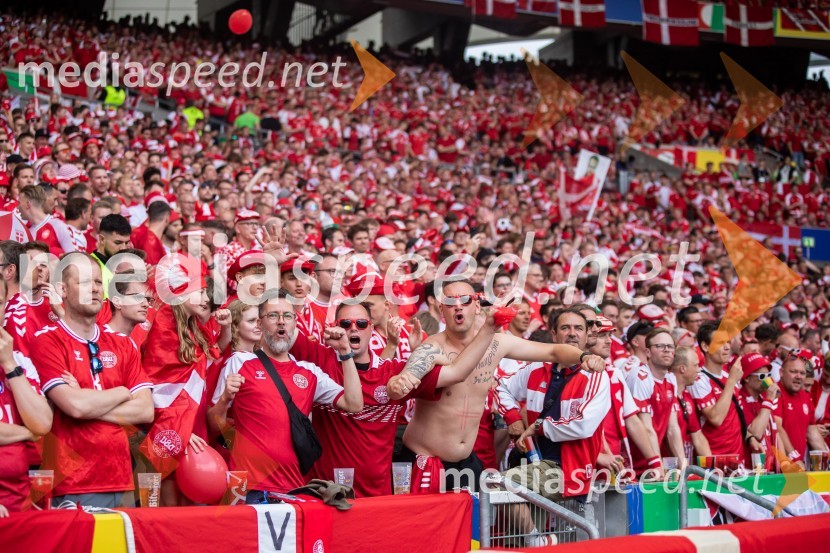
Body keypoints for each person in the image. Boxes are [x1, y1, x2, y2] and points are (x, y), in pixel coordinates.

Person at [391, 284, 605, 494]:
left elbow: (555, 352)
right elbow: (408, 375)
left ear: (476, 306)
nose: (458, 306)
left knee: (483, 521)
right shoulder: (433, 347)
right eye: (450, 302)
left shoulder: (497, 344)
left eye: (464, 300)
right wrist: (401, 381)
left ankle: (536, 533)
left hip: (465, 462)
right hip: (426, 462)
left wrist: (584, 356)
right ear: (441, 310)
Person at [286, 300, 498, 497]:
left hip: (378, 496)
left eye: (361, 323)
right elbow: (282, 328)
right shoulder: (319, 358)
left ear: (371, 329)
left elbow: (457, 372)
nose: (353, 328)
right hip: (327, 493)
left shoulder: (394, 372)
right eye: (345, 323)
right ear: (335, 327)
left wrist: (487, 329)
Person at [211, 289, 364, 500]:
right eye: (273, 315)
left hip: (293, 488)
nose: (281, 322)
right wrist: (225, 398)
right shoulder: (239, 362)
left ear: (295, 324)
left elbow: (354, 403)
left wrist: (345, 353)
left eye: (288, 316)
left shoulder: (309, 372)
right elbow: (212, 424)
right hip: (248, 489)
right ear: (260, 324)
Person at [33, 253, 153, 508]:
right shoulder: (47, 340)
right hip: (72, 483)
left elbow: (145, 410)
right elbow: (74, 406)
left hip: (122, 480)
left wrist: (89, 403)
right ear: (62, 289)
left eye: (98, 282)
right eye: (86, 282)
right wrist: (122, 392)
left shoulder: (123, 343)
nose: (96, 288)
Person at [495, 308, 611, 547]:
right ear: (554, 334)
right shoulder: (536, 368)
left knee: (498, 484)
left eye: (578, 328)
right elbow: (500, 386)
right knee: (521, 532)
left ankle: (538, 540)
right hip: (534, 463)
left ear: (588, 334)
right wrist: (513, 417)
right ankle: (537, 540)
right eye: (565, 328)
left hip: (568, 469)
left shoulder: (597, 377)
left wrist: (539, 426)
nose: (572, 334)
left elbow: (583, 426)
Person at [140, 276, 228, 505]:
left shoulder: (195, 326)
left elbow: (213, 354)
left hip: (192, 419)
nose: (203, 298)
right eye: (198, 293)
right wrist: (181, 430)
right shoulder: (164, 322)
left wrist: (226, 328)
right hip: (170, 423)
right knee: (168, 498)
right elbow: (159, 385)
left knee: (191, 499)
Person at [0, 278, 53, 515]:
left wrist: (9, 364)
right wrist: (26, 433)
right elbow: (36, 429)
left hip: (20, 505)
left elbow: (42, 422)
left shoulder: (19, 361)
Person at [590, 315, 659, 477]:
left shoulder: (614, 372)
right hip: (587, 465)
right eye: (601, 336)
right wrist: (601, 454)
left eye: (609, 335)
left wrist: (654, 461)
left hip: (616, 463)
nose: (609, 341)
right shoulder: (577, 373)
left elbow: (632, 420)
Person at [625, 328, 686, 474]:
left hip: (651, 463)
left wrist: (684, 468)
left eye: (670, 346)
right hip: (634, 465)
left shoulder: (671, 379)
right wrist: (657, 465)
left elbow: (672, 429)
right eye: (659, 346)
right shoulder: (640, 376)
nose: (666, 350)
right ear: (647, 352)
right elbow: (646, 427)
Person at [688, 322, 747, 461]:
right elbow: (716, 418)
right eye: (720, 343)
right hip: (714, 459)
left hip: (738, 457)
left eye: (728, 342)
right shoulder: (698, 380)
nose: (727, 347)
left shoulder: (730, 375)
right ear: (705, 346)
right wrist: (732, 381)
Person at [775, 355, 828, 467]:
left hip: (799, 463)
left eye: (802, 373)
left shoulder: (805, 397)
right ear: (781, 373)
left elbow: (811, 431)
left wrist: (827, 457)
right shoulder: (775, 392)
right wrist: (793, 457)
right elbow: (777, 428)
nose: (798, 376)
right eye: (794, 372)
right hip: (781, 465)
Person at [668, 346, 711, 465]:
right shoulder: (665, 395)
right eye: (696, 365)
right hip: (666, 469)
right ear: (682, 368)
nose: (699, 370)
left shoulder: (686, 396)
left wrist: (712, 468)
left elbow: (697, 436)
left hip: (682, 466)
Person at [739, 353, 779, 472]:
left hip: (769, 467)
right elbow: (756, 433)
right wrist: (769, 400)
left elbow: (775, 432)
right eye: (762, 376)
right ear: (747, 378)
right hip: (750, 470)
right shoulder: (740, 400)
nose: (767, 380)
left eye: (769, 375)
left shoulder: (763, 399)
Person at [91, 214, 133, 299]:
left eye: (127, 243)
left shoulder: (126, 266)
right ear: (102, 239)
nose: (123, 248)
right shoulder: (89, 268)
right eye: (118, 243)